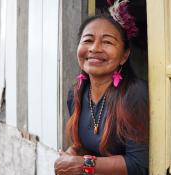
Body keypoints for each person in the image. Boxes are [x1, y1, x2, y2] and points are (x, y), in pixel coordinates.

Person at [54, 1, 149, 174]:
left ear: (124, 55)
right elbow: (86, 146)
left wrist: (83, 165)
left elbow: (137, 165)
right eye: (88, 40)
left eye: (107, 42)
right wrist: (72, 153)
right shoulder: (76, 92)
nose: (95, 48)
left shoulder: (134, 93)